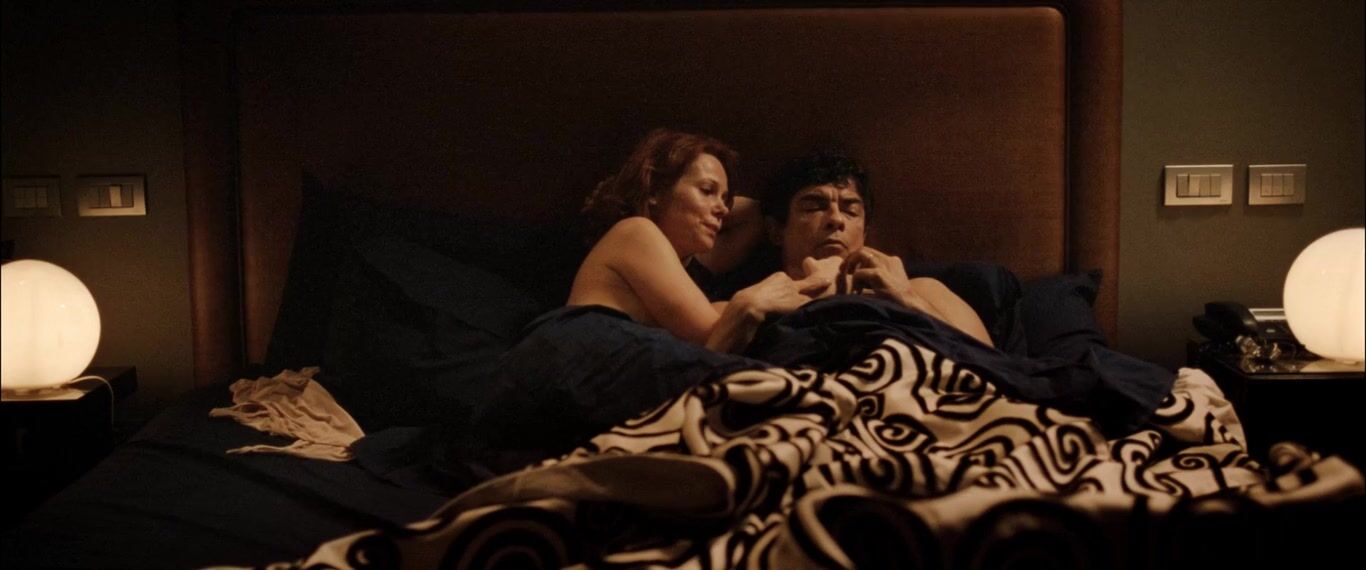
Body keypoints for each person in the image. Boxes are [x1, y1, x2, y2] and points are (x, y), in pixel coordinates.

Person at [570, 128, 840, 353]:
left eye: (726, 199)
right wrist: (815, 282)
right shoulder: (635, 232)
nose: (723, 209)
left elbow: (756, 215)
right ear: (656, 191)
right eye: (707, 190)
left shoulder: (684, 269)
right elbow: (715, 334)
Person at [702, 149, 995, 347]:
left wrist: (908, 301)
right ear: (776, 230)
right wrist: (747, 310)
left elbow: (996, 370)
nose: (836, 219)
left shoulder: (924, 291)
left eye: (850, 209)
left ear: (864, 233)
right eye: (814, 206)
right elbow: (694, 379)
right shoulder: (747, 304)